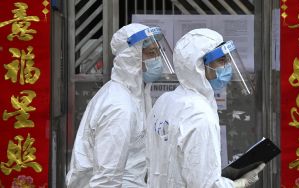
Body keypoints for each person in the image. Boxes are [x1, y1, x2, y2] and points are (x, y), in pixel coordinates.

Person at [146, 28, 265, 188]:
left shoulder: (165, 101)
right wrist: (239, 183)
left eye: (228, 60)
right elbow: (205, 184)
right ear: (199, 67)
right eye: (222, 61)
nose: (228, 66)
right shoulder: (200, 114)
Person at [66, 23, 174, 187]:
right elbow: (106, 180)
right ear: (131, 57)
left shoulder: (135, 95)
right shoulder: (119, 106)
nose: (157, 59)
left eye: (158, 52)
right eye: (152, 53)